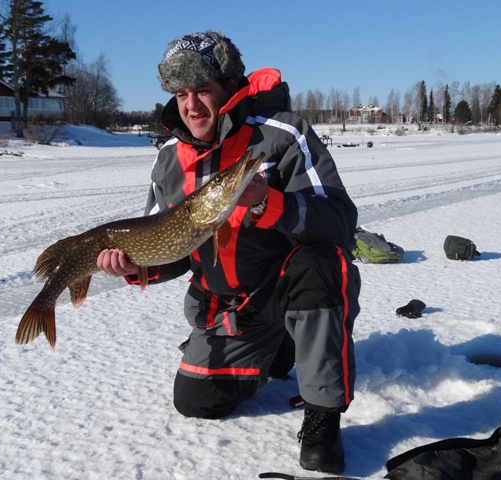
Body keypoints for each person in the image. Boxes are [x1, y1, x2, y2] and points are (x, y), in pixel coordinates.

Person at [97, 30, 361, 474]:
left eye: (203, 90)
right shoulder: (169, 158)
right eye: (181, 93)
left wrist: (266, 201)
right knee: (196, 400)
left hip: (288, 286)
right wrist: (134, 264)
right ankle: (279, 347)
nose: (191, 105)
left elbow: (339, 222)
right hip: (231, 307)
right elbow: (173, 246)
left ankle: (322, 415)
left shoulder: (282, 134)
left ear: (231, 87)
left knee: (322, 263)